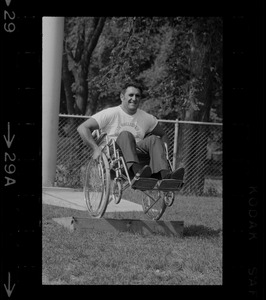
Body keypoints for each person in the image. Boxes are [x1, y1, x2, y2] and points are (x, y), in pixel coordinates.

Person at [77, 81, 184, 180]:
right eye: (131, 95)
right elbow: (82, 128)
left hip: (139, 153)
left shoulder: (147, 118)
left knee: (154, 139)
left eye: (137, 96)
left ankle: (164, 176)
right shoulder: (110, 113)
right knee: (126, 134)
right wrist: (95, 149)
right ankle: (137, 172)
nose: (134, 98)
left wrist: (163, 153)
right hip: (115, 155)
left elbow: (163, 134)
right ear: (122, 97)